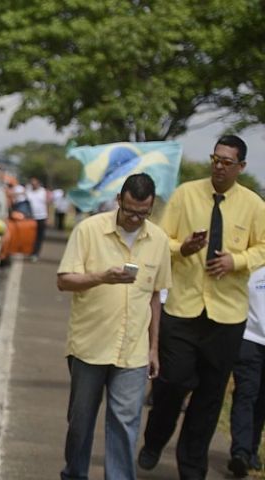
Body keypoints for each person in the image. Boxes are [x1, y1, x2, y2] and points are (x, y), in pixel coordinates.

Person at [139, 135, 265, 479]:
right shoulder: (186, 195)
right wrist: (186, 249)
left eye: (227, 162)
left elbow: (263, 247)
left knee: (210, 398)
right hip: (183, 309)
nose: (219, 166)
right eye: (216, 158)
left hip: (227, 315)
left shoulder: (254, 205)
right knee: (172, 383)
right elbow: (162, 240)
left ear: (240, 167)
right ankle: (154, 440)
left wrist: (236, 261)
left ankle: (192, 467)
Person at [57, 173, 172, 480]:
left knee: (125, 422)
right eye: (130, 210)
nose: (135, 219)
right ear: (119, 200)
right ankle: (74, 473)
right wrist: (101, 277)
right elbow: (64, 280)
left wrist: (153, 348)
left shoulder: (159, 240)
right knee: (80, 423)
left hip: (133, 350)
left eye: (143, 213)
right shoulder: (89, 230)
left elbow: (155, 298)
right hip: (89, 346)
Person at [228, 266, 265, 478]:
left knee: (261, 400)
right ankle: (240, 453)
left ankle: (251, 449)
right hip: (250, 339)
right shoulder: (253, 266)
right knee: (246, 394)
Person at [26, 177, 49, 261]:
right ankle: (30, 251)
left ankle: (35, 254)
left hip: (42, 217)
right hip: (31, 218)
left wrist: (47, 217)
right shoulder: (28, 192)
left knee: (39, 237)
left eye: (35, 183)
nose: (33, 185)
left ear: (38, 184)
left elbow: (46, 204)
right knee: (31, 236)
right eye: (32, 184)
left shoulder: (43, 192)